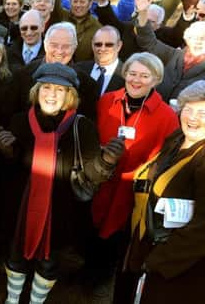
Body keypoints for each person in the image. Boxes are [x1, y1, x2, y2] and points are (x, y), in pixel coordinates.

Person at [0, 63, 120, 304]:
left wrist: (106, 161)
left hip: (59, 209)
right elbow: (9, 170)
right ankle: (12, 299)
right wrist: (7, 151)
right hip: (20, 206)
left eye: (60, 90)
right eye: (46, 88)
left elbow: (91, 175)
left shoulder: (81, 127)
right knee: (15, 255)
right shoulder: (20, 120)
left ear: (69, 95)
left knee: (49, 260)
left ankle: (36, 301)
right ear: (36, 91)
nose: (51, 94)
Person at [85, 52, 178, 295]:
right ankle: (88, 270)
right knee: (92, 227)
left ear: (156, 79)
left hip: (132, 190)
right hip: (101, 178)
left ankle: (104, 276)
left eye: (144, 76)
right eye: (133, 73)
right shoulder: (107, 101)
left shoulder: (167, 116)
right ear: (125, 74)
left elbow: (166, 157)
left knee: (117, 237)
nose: (136, 80)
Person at [114, 80, 205, 303]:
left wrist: (158, 261)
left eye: (202, 112)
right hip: (143, 243)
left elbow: (202, 229)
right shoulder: (176, 139)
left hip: (175, 265)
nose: (193, 118)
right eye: (189, 109)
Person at [135, 0, 205, 101]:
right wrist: (143, 13)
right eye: (194, 37)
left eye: (203, 38)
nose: (198, 42)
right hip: (155, 109)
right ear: (187, 39)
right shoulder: (174, 55)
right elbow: (149, 42)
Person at [76, 26, 125, 97]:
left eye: (109, 45)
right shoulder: (78, 69)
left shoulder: (127, 75)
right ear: (92, 45)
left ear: (119, 46)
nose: (102, 48)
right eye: (98, 44)